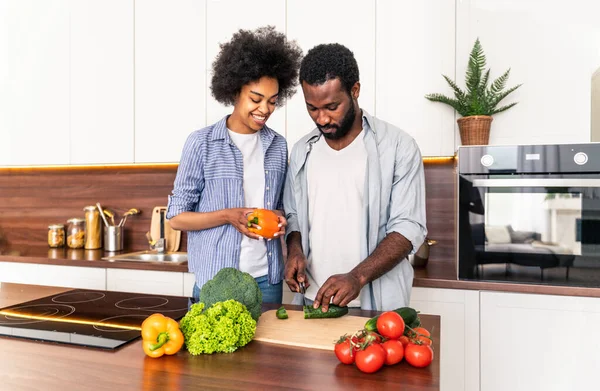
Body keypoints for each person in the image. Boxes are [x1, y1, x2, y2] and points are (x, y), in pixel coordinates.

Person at [283, 43, 427, 311]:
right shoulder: (303, 150)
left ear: (355, 90)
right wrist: (294, 250)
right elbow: (293, 217)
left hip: (377, 307)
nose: (322, 118)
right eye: (312, 108)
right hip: (312, 303)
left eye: (331, 106)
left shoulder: (398, 147)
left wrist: (356, 277)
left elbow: (408, 228)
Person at [167, 26, 303, 304]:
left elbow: (280, 206)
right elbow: (177, 217)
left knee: (268, 349)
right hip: (216, 279)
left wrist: (278, 217)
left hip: (267, 279)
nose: (264, 109)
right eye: (255, 99)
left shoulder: (278, 146)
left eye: (273, 102)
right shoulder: (202, 143)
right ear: (234, 92)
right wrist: (228, 216)